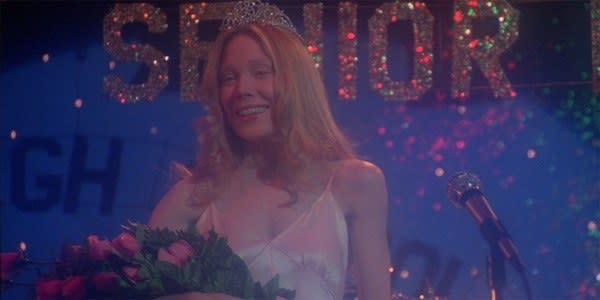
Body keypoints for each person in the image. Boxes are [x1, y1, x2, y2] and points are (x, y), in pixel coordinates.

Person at [148, 1, 392, 299]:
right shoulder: (195, 196)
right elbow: (140, 288)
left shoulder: (355, 183)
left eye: (261, 72)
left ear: (297, 83)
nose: (242, 90)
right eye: (229, 78)